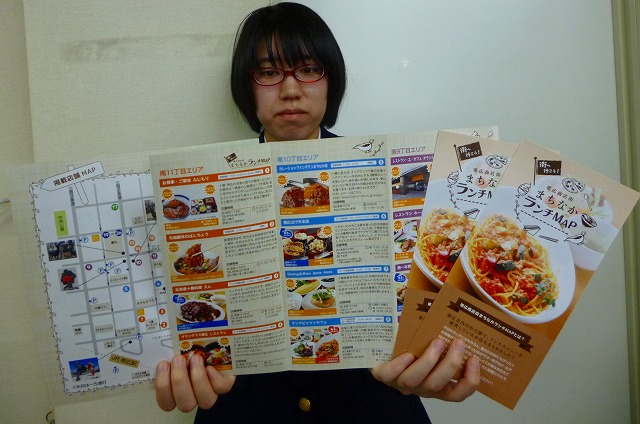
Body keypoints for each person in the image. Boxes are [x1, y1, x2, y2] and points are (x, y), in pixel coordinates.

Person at [155, 3, 480, 422]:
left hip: (371, 402)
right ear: (246, 86)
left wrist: (432, 359)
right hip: (246, 405)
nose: (290, 90)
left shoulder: (392, 177)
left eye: (309, 69)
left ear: (332, 80)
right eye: (268, 72)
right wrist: (177, 361)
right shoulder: (205, 189)